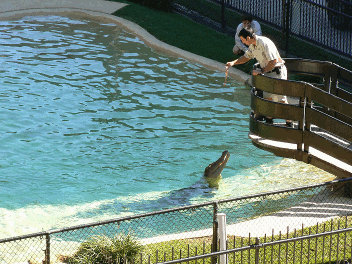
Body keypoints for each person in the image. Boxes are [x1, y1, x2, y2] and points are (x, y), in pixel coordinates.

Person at [226, 27, 292, 126]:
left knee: (281, 99)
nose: (243, 42)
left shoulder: (264, 43)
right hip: (267, 73)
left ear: (248, 38)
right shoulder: (253, 46)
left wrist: (261, 71)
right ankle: (269, 122)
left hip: (277, 72)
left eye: (243, 40)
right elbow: (246, 57)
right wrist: (233, 63)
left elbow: (273, 61)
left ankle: (289, 123)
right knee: (268, 99)